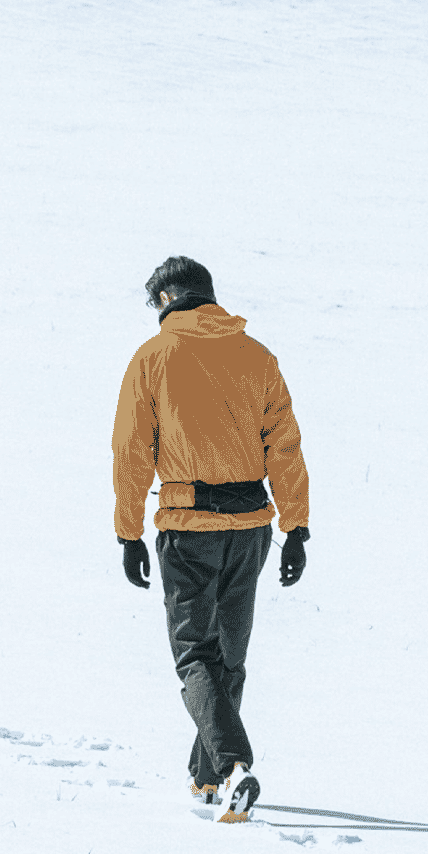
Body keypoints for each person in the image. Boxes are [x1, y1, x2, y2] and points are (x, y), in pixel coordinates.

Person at [112, 256, 310, 824]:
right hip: (251, 528)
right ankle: (209, 780)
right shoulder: (257, 355)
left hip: (188, 527)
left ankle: (231, 765)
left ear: (166, 300)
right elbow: (286, 446)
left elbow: (131, 452)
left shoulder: (152, 358)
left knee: (196, 655)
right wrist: (296, 528)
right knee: (229, 658)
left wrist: (129, 534)